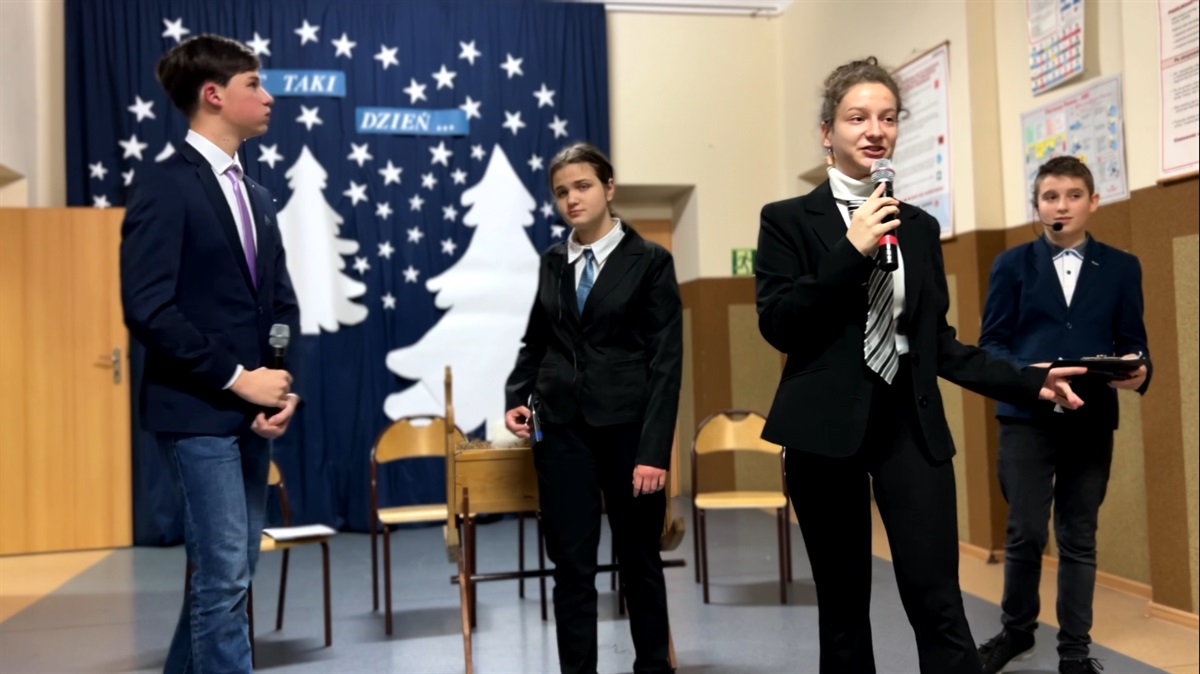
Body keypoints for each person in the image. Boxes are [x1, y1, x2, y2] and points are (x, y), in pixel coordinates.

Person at [754, 57, 1088, 674]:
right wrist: (849, 250)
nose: (874, 130)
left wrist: (1031, 380)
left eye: (887, 118)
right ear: (827, 132)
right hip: (822, 429)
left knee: (938, 601)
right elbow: (780, 323)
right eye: (857, 117)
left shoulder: (918, 226)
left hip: (907, 418)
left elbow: (940, 343)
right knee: (844, 608)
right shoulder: (786, 220)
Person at [120, 34, 299, 674]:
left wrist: (279, 386)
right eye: (255, 84)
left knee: (231, 572)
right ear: (214, 94)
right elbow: (148, 308)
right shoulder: (165, 185)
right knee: (223, 575)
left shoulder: (258, 195)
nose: (269, 96)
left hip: (252, 416)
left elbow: (279, 305)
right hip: (194, 411)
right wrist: (238, 379)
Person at [504, 142, 683, 674]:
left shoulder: (651, 262)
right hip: (562, 434)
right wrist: (516, 396)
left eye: (582, 186)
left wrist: (654, 452)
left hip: (629, 435)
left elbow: (666, 363)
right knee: (572, 569)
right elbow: (537, 342)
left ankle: (653, 667)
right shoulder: (552, 262)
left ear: (608, 188)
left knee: (640, 563)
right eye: (561, 192)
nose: (571, 199)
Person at [975, 156, 1151, 674]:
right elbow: (992, 344)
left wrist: (1142, 370)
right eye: (1050, 197)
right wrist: (1029, 375)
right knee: (1026, 530)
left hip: (1090, 418)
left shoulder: (1122, 267)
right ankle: (1015, 632)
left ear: (1093, 202)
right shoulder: (1010, 265)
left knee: (1079, 534)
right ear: (1037, 205)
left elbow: (1134, 341)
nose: (1062, 206)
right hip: (1025, 417)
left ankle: (1074, 650)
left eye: (1073, 195)